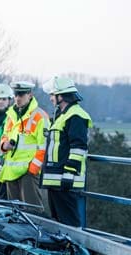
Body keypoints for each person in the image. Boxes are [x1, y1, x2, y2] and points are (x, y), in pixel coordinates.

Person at [41, 77, 92, 227]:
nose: (50, 98)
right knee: (58, 223)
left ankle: (76, 250)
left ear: (61, 96)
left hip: (65, 180)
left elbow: (79, 147)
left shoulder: (76, 116)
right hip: (56, 180)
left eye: (52, 95)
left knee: (70, 224)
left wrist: (69, 175)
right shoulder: (62, 115)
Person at [0, 81, 49, 212]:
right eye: (16, 95)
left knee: (33, 211)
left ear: (30, 95)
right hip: (11, 170)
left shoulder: (39, 116)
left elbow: (43, 146)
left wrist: (33, 169)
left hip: (28, 172)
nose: (18, 98)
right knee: (14, 212)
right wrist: (4, 145)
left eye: (21, 95)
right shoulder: (11, 115)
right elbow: (4, 135)